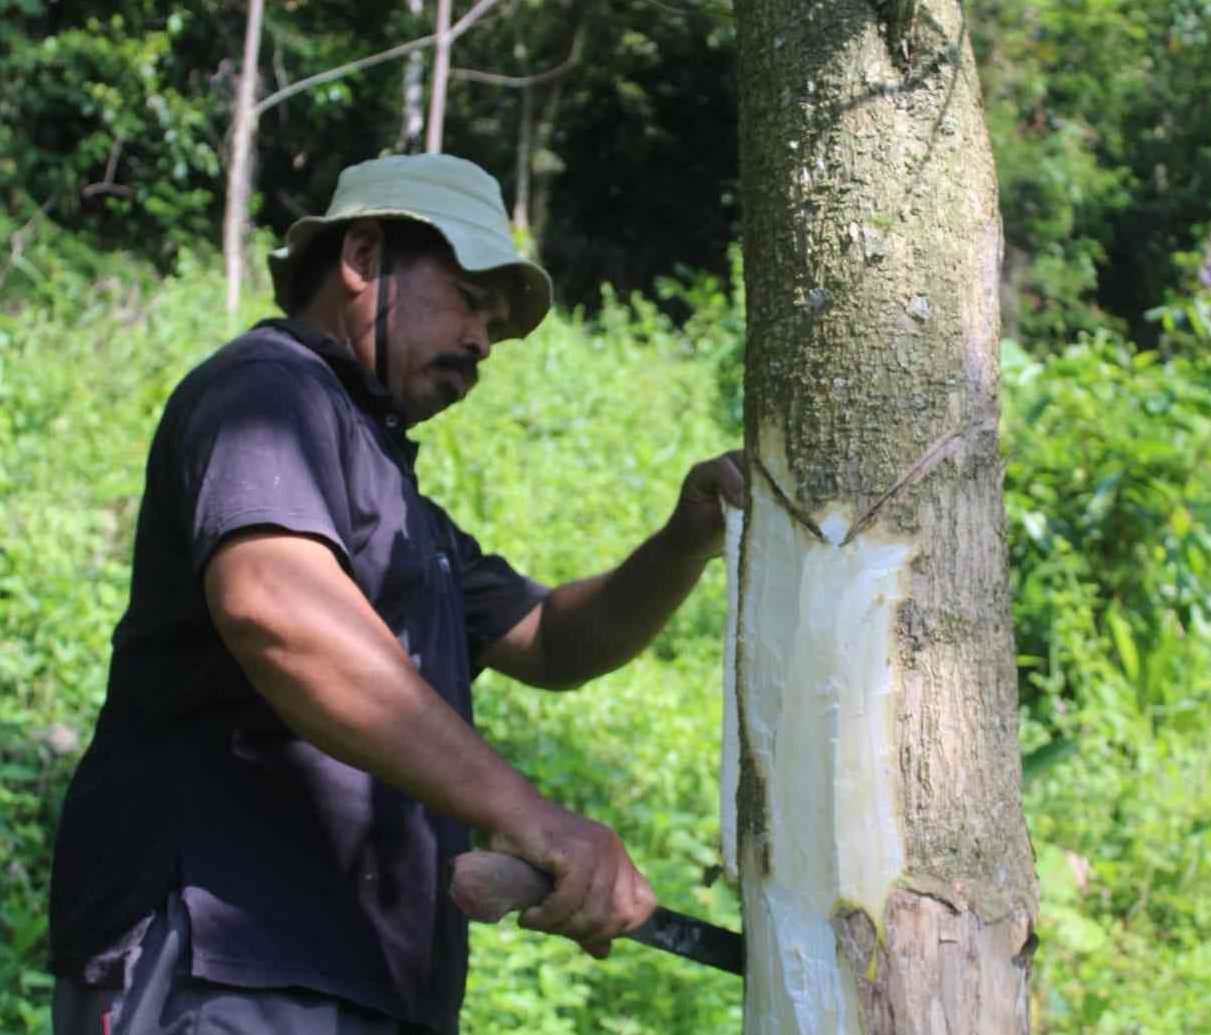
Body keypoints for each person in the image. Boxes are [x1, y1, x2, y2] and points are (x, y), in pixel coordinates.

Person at [47, 153, 744, 1035]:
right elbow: (276, 609)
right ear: (365, 258)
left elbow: (559, 641)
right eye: (468, 301)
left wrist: (686, 541)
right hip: (225, 965)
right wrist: (531, 816)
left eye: (496, 324)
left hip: (351, 982)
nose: (484, 343)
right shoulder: (266, 391)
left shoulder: (402, 508)